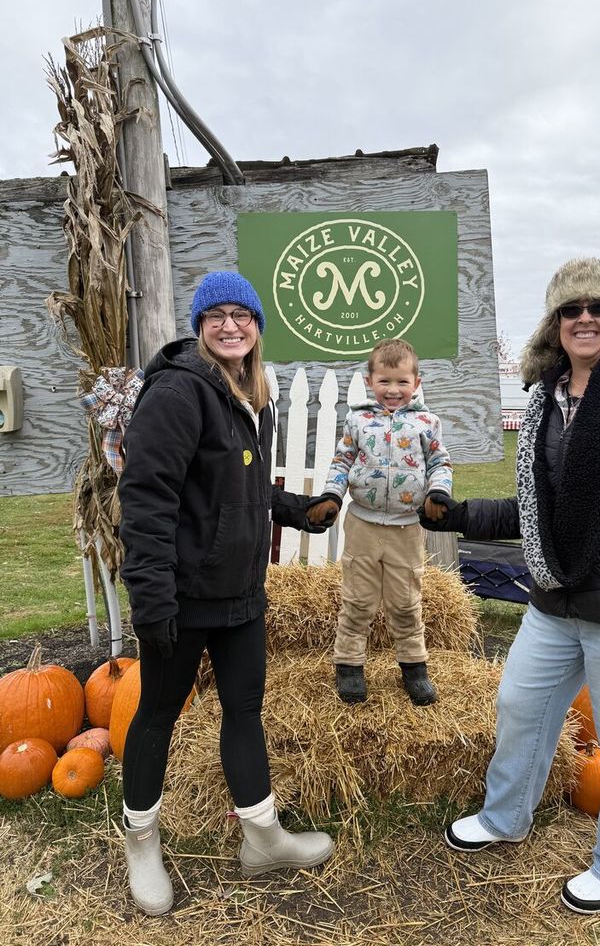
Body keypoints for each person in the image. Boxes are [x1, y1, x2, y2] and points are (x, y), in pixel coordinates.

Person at [420, 258, 600, 915]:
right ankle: (504, 816)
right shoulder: (547, 397)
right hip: (555, 603)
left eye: (597, 308)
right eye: (570, 309)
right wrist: (458, 516)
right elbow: (539, 510)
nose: (585, 319)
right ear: (554, 324)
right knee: (521, 708)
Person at [118, 270, 335, 916]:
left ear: (257, 327)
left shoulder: (247, 395)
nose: (231, 325)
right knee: (156, 715)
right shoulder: (180, 393)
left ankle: (263, 838)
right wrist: (152, 601)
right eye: (217, 316)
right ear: (200, 326)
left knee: (245, 713)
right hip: (183, 602)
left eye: (243, 315)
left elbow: (238, 491)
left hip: (241, 596)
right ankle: (141, 842)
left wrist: (297, 510)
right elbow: (146, 500)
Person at [306, 338, 453, 707]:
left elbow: (440, 464)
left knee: (406, 602)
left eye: (402, 382)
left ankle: (414, 666)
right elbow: (342, 463)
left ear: (416, 382)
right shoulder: (357, 419)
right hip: (363, 525)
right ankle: (349, 664)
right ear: (370, 381)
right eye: (385, 381)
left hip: (407, 527)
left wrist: (438, 494)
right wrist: (331, 496)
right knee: (358, 600)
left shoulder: (427, 423)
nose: (393, 390)